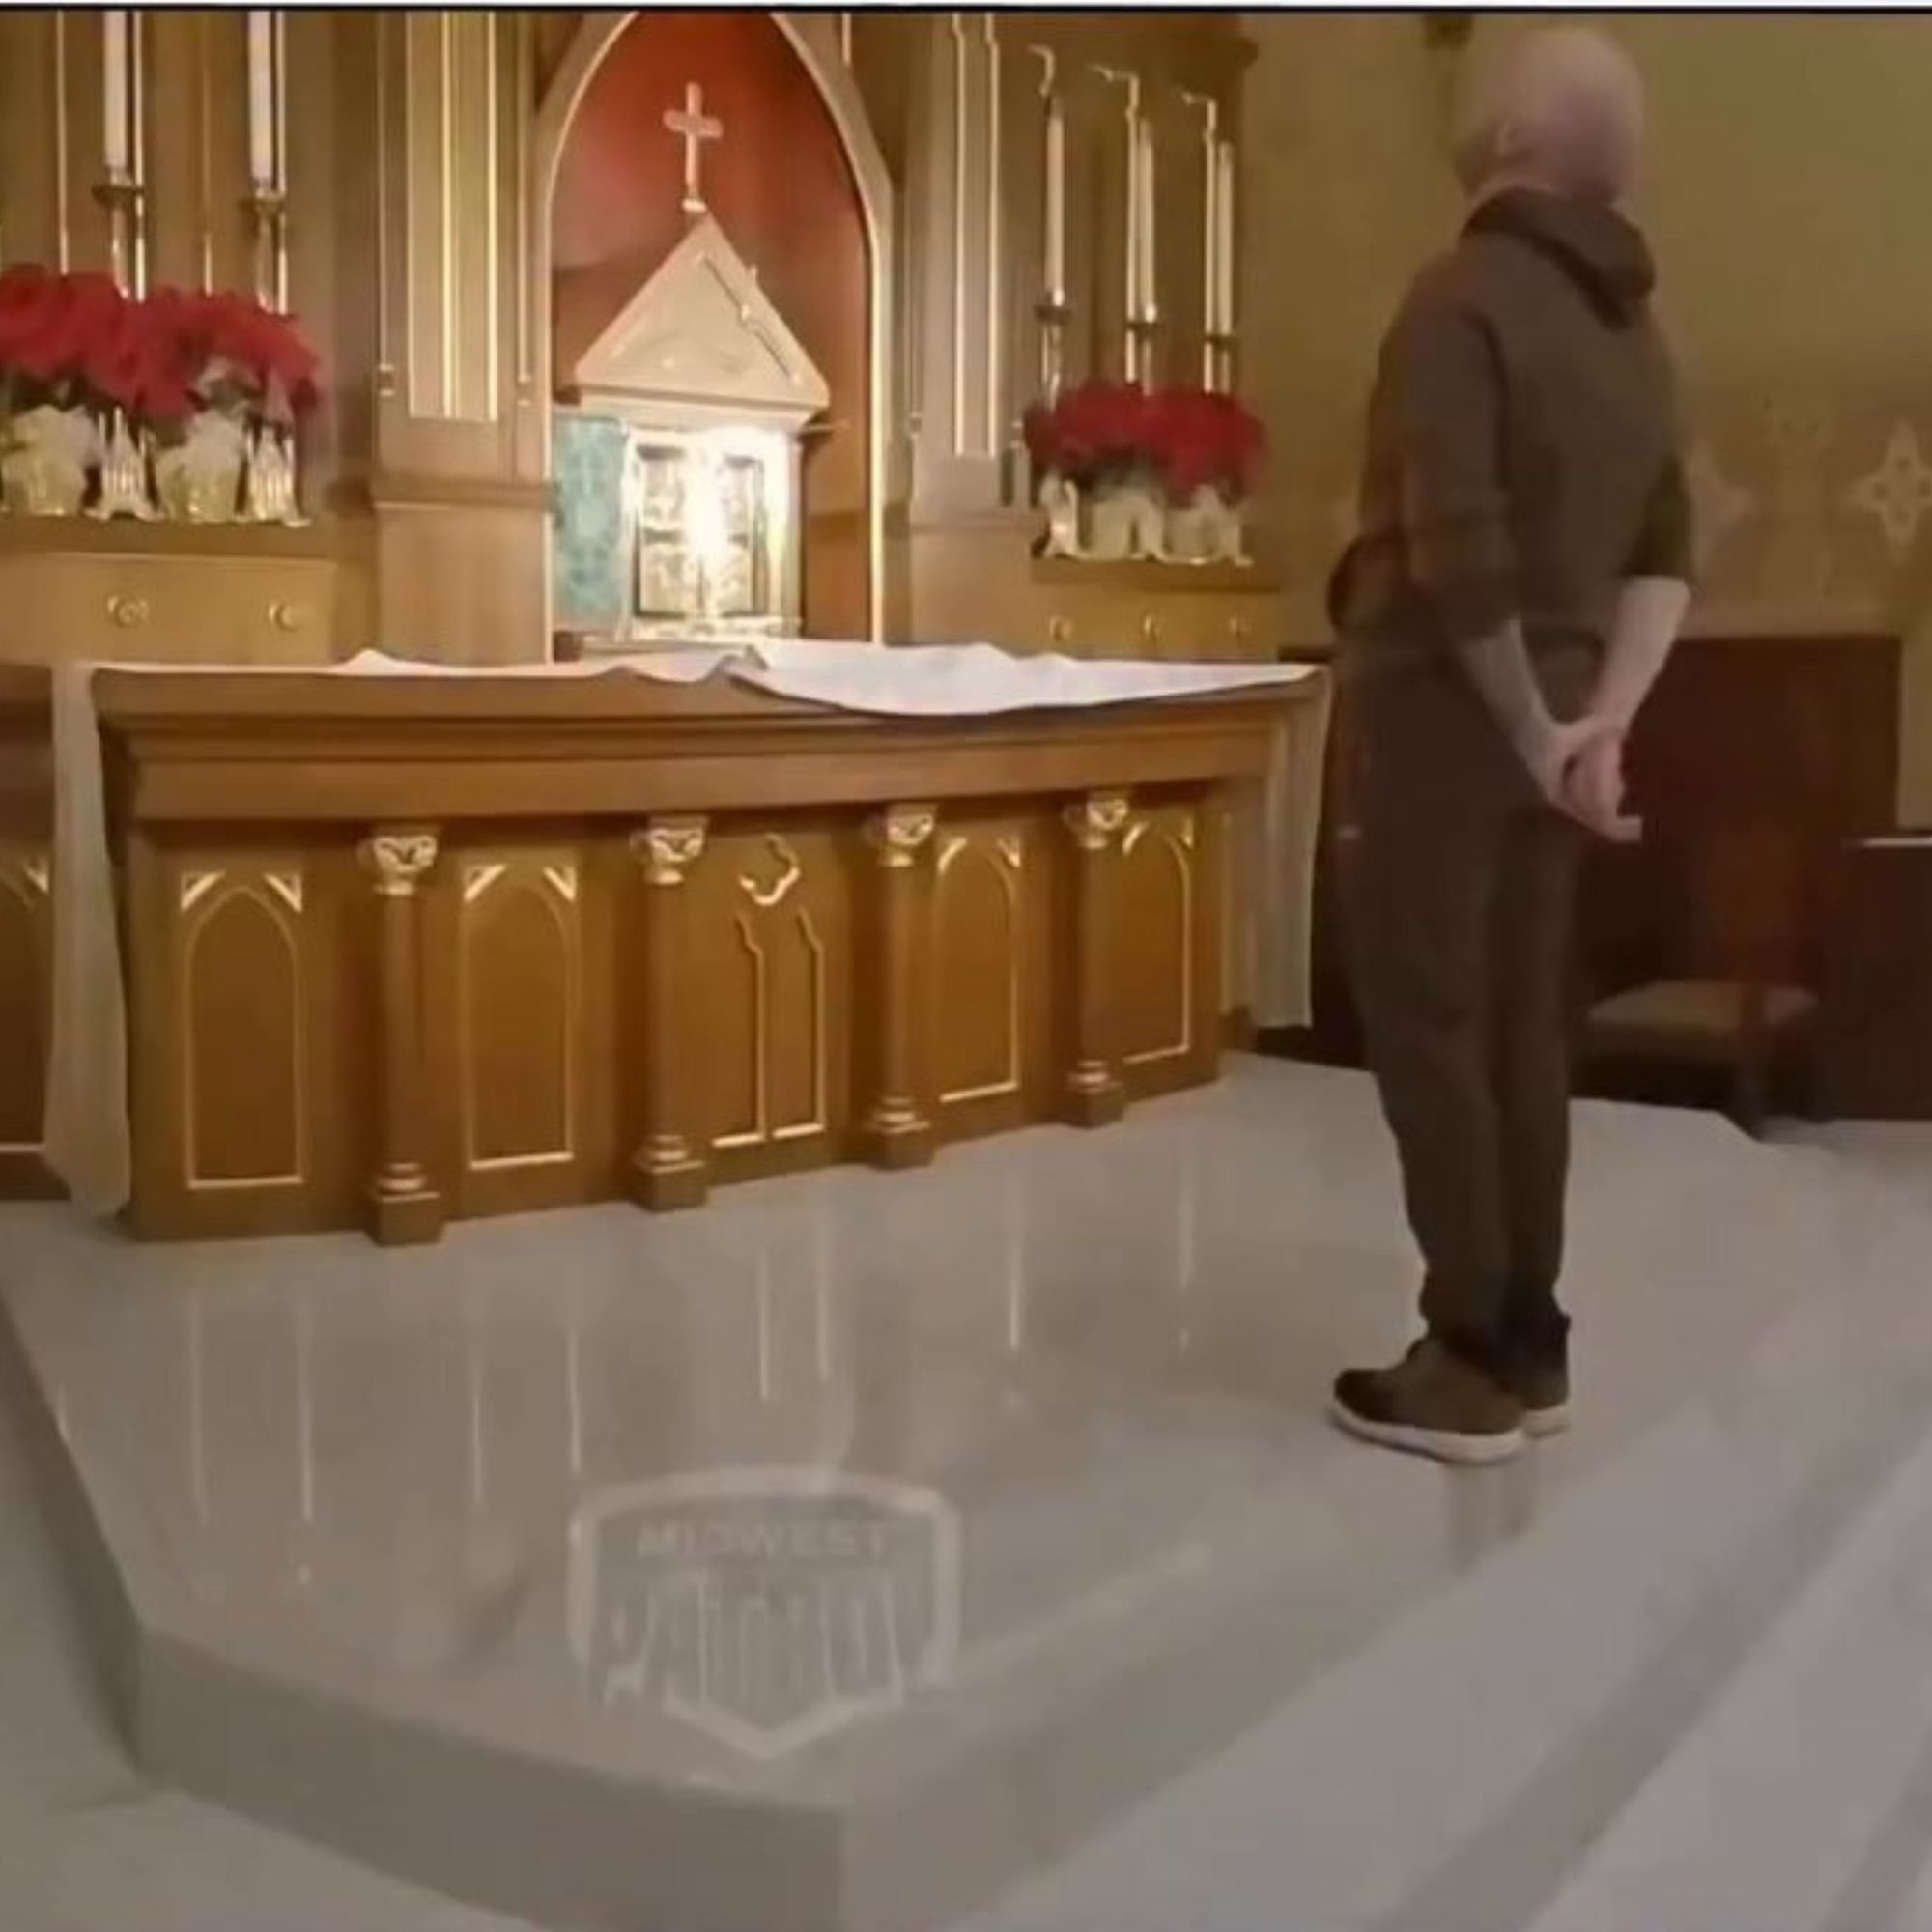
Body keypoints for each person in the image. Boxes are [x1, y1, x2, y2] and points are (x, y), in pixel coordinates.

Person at [1325, 26, 1694, 1464]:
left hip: (1445, 716)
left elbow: (1454, 551)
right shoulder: (1635, 329)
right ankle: (1530, 1336)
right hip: (1552, 733)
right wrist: (1600, 724)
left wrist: (1539, 726)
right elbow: (1666, 550)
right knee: (1524, 1034)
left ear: (1517, 143)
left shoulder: (1458, 300)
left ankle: (1468, 1357)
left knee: (1431, 1026)